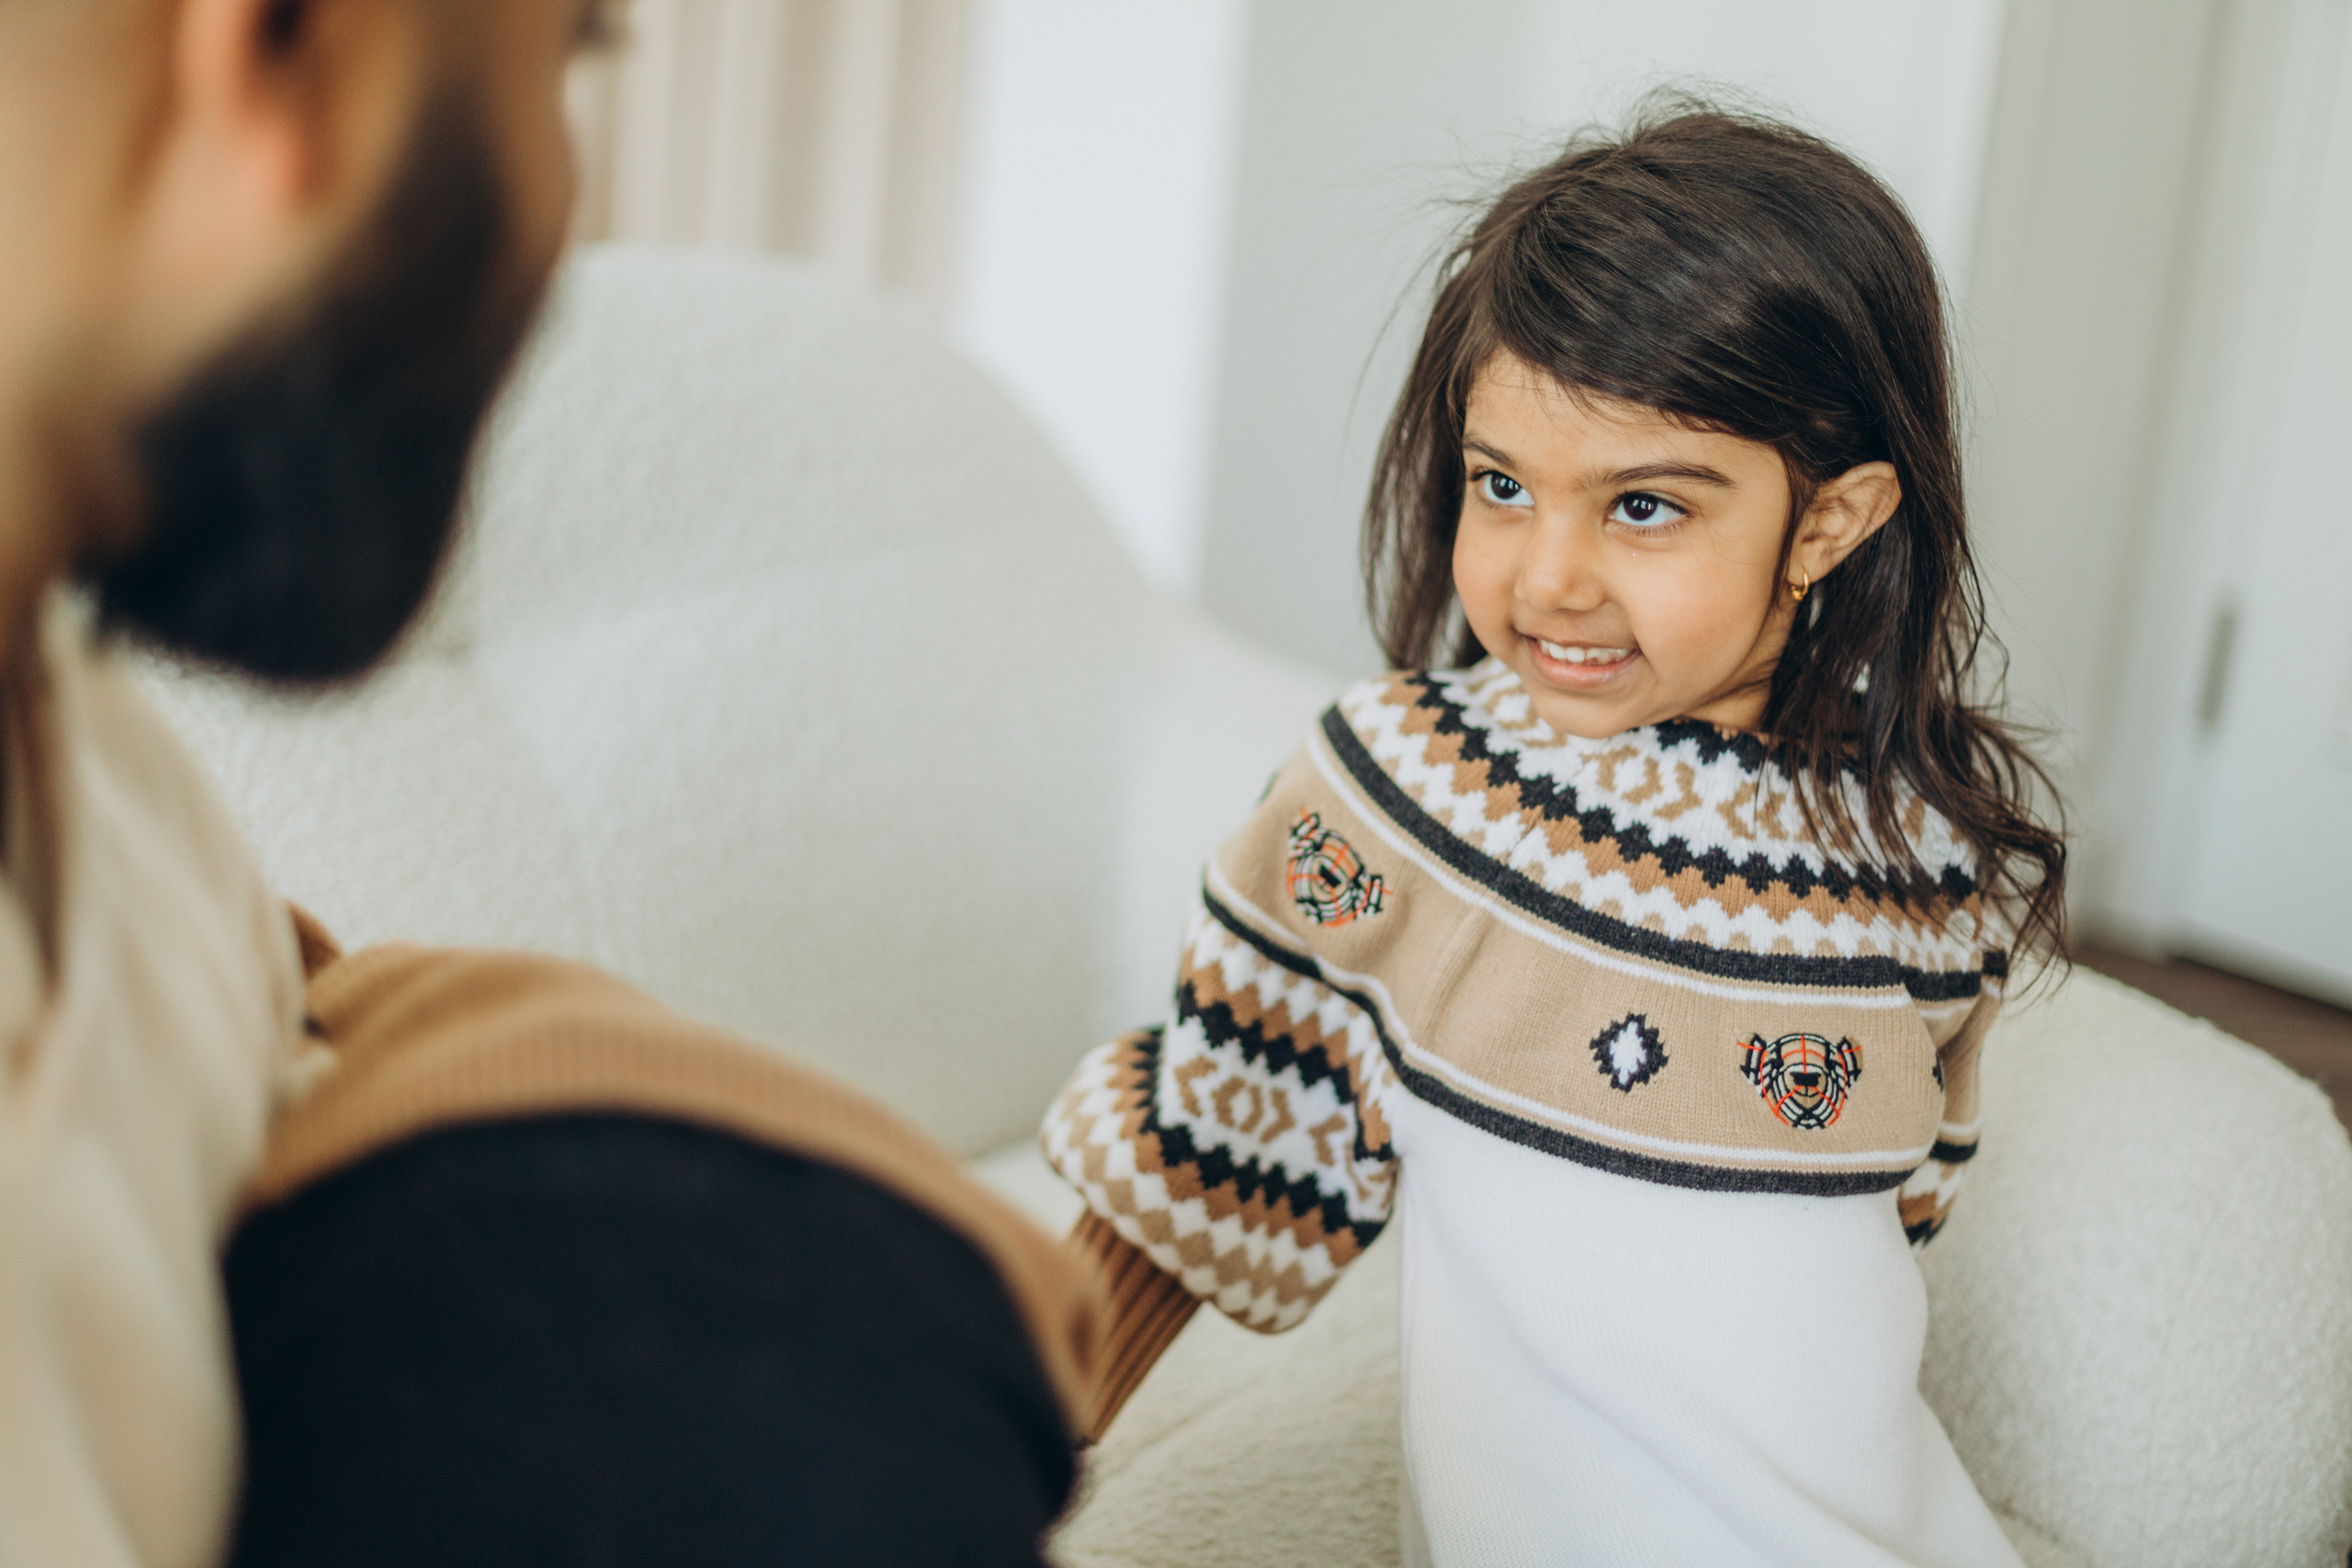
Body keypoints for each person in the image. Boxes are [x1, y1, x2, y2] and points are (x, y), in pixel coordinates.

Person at [0, 3, 1090, 1564]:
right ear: (284, 54)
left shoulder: (94, 771)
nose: (567, 202)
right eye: (567, 53)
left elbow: (293, 1022)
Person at [1044, 102, 2067, 1565]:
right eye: (1502, 486)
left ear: (1832, 521)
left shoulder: (1924, 853)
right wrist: (987, 1451)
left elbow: (1904, 1214)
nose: (1547, 578)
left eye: (1644, 506)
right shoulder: (1395, 800)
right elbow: (1207, 1158)